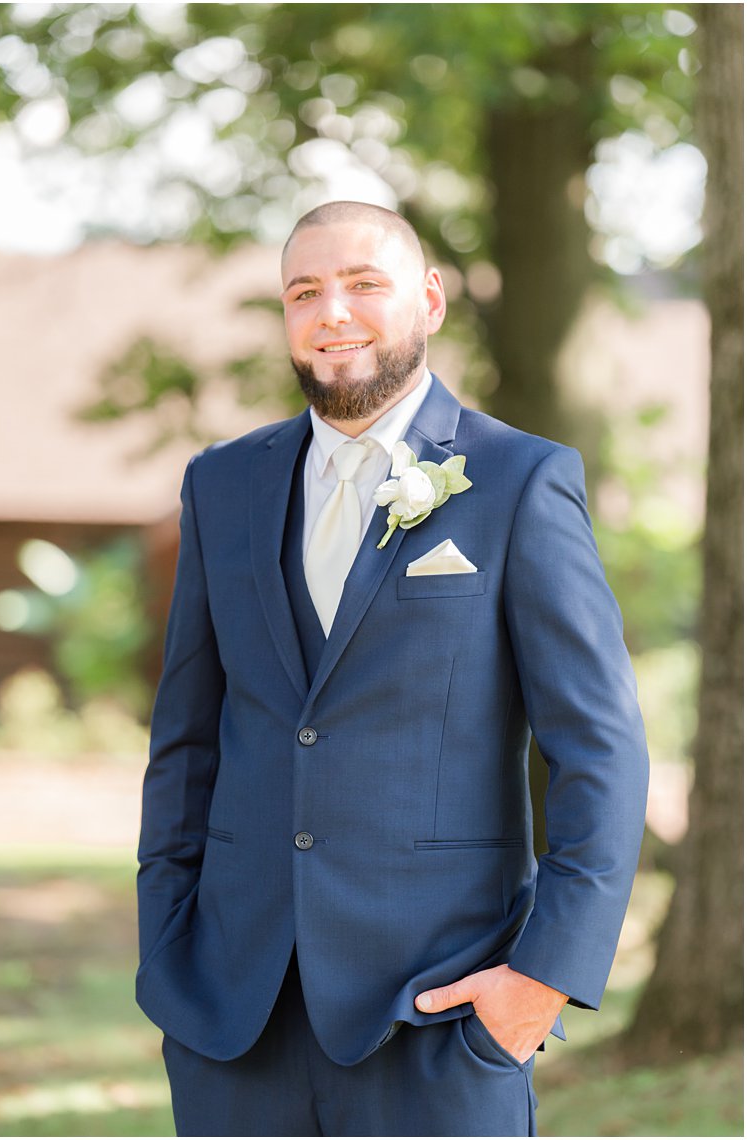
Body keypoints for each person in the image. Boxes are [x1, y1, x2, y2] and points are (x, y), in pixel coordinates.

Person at [136, 202, 649, 1136]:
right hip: (231, 1017)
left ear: (430, 300)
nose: (333, 312)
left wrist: (544, 979)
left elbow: (601, 749)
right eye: (305, 292)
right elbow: (188, 738)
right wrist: (167, 947)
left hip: (442, 1012)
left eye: (364, 284)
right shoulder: (223, 483)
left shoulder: (518, 480)